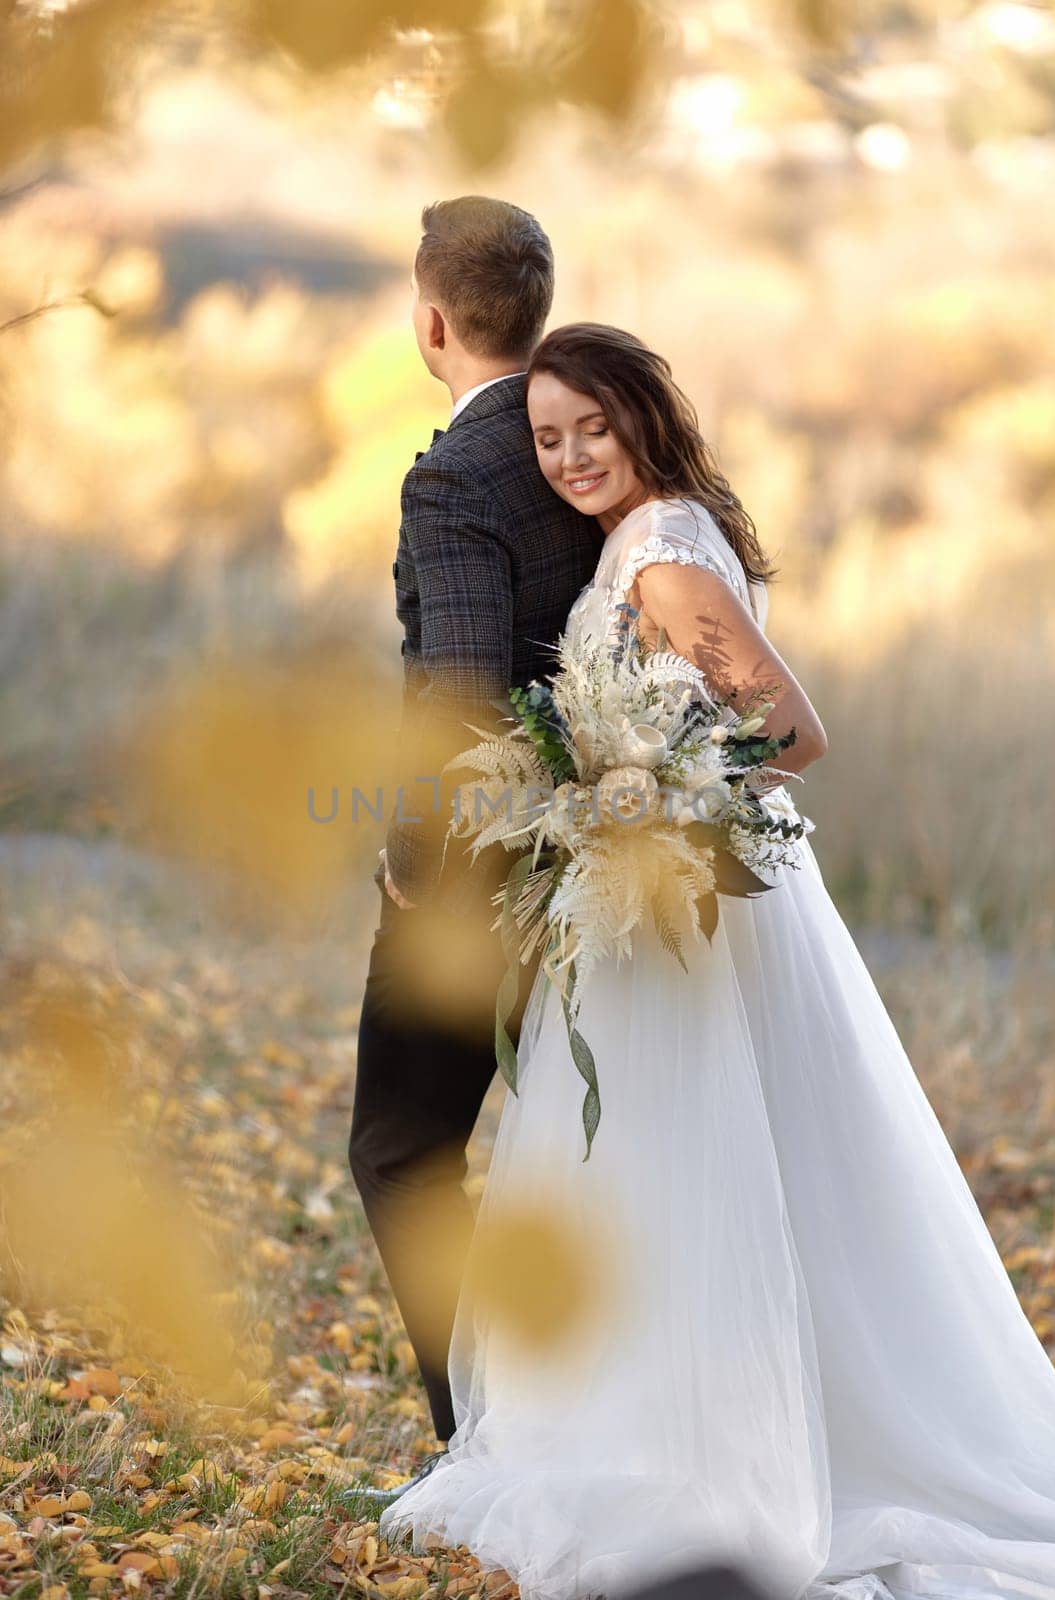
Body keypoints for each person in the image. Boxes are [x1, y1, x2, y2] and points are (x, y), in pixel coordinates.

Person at [381, 324, 1055, 1600]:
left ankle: (703, 1456)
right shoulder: (647, 535)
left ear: (643, 417)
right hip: (657, 896)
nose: (573, 454)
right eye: (548, 437)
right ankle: (649, 1420)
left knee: (684, 1168)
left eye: (594, 426)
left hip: (696, 896)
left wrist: (650, 803)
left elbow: (790, 729)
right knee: (660, 1176)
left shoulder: (660, 553)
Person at [347, 201, 603, 1498]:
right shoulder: (589, 444)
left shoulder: (456, 475)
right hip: (600, 864)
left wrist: (407, 857)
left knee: (400, 1151)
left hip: (478, 878)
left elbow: (455, 699)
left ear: (430, 320)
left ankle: (483, 1451)